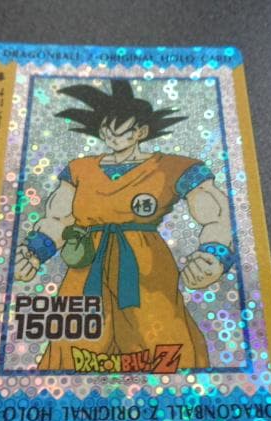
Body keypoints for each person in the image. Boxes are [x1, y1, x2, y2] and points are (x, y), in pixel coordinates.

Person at [14, 79, 235, 370]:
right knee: (74, 341)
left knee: (161, 336)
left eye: (121, 129)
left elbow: (216, 213)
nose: (112, 136)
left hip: (145, 269)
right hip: (86, 266)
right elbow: (58, 217)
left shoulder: (172, 167)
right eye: (106, 129)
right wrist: (34, 252)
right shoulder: (80, 170)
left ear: (141, 132)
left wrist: (215, 255)